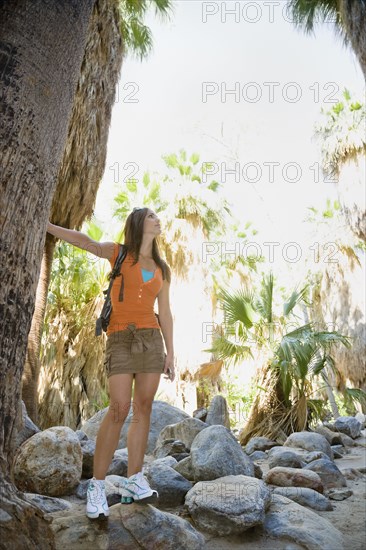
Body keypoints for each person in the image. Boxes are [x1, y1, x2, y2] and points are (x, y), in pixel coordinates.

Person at [47, 206, 175, 519]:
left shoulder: (161, 267)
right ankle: (97, 487)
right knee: (119, 408)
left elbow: (167, 312)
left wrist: (171, 352)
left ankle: (134, 480)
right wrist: (48, 225)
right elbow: (83, 240)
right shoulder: (118, 253)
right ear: (138, 224)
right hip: (120, 339)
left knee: (143, 408)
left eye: (158, 217)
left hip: (152, 340)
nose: (158, 220)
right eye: (151, 217)